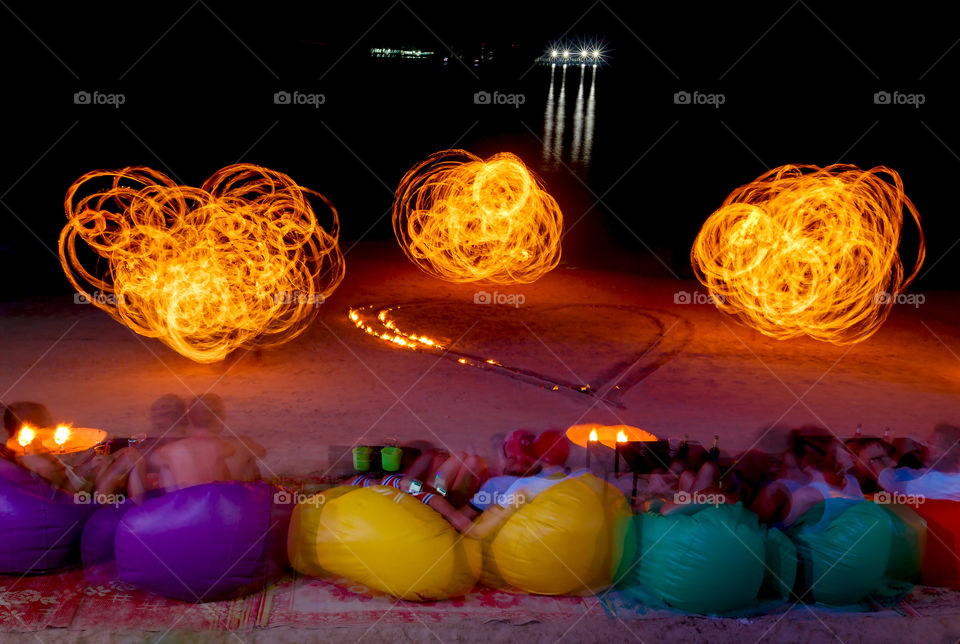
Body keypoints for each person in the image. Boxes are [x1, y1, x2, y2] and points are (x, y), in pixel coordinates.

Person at [350, 448, 488, 533]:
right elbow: (432, 498)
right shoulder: (391, 491)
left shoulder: (380, 486)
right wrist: (454, 516)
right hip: (443, 504)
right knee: (470, 461)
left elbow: (419, 489)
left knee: (460, 458)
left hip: (432, 493)